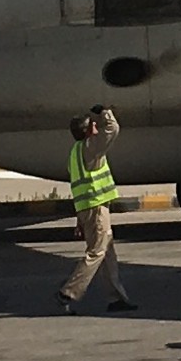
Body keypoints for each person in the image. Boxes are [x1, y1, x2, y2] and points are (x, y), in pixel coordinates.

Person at [60, 108, 138, 311]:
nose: (97, 128)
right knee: (96, 252)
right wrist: (105, 112)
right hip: (96, 208)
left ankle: (116, 298)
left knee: (107, 254)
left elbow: (79, 187)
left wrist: (79, 219)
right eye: (94, 126)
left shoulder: (75, 153)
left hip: (88, 209)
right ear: (88, 132)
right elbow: (113, 129)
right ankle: (68, 292)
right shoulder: (91, 147)